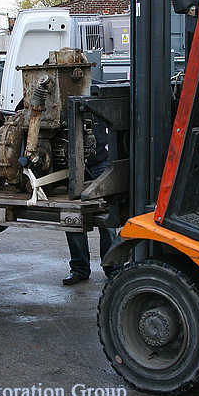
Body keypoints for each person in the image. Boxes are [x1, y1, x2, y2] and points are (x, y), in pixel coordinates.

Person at [62, 118, 120, 285]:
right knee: (72, 217)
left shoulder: (94, 94)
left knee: (107, 218)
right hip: (71, 163)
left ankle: (112, 267)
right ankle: (79, 268)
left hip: (100, 159)